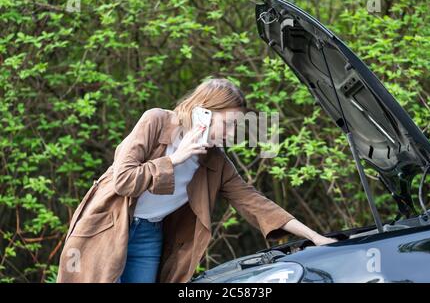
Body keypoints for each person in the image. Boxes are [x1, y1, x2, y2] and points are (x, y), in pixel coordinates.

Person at [56, 77, 336, 283]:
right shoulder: (155, 121)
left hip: (149, 236)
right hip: (107, 227)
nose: (229, 134)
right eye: (227, 124)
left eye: (235, 127)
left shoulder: (215, 161)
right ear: (203, 111)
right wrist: (175, 160)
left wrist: (314, 237)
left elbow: (255, 203)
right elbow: (123, 180)